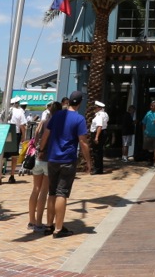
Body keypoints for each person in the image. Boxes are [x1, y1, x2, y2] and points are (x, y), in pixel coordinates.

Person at [38, 91, 91, 239]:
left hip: (52, 159)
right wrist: (88, 161)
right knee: (62, 193)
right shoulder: (79, 119)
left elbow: (46, 135)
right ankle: (59, 229)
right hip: (67, 160)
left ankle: (49, 225)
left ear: (68, 101)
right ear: (79, 103)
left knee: (52, 192)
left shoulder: (57, 116)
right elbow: (83, 142)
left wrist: (41, 150)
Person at [26, 101, 60, 235]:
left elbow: (35, 138)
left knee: (35, 189)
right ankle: (39, 222)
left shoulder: (42, 122)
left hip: (37, 158)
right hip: (48, 159)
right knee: (44, 191)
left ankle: (31, 220)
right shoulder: (56, 124)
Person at [8, 99, 27, 183]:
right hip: (15, 133)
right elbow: (22, 125)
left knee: (2, 155)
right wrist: (24, 136)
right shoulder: (20, 111)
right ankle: (12, 175)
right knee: (14, 155)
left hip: (5, 131)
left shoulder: (6, 110)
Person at [89, 100, 108, 175]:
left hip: (98, 133)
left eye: (95, 107)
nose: (94, 108)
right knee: (99, 152)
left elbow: (99, 126)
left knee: (96, 152)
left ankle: (97, 169)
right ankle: (100, 169)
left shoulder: (99, 115)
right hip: (103, 132)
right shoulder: (105, 114)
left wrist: (96, 137)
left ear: (98, 108)